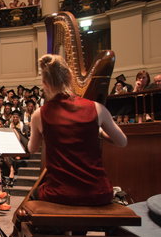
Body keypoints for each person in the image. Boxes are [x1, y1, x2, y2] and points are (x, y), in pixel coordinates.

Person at [27, 54, 127, 205]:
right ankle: (79, 229)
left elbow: (32, 149)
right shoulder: (97, 108)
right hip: (98, 193)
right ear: (69, 77)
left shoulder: (39, 114)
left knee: (31, 197)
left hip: (59, 194)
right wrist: (98, 131)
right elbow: (122, 142)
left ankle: (60, 228)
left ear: (44, 83)